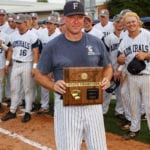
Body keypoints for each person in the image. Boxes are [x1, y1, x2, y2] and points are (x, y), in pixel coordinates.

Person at [33, 1, 113, 150]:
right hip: (66, 105)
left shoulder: (96, 42)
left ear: (84, 19)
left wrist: (106, 78)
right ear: (64, 19)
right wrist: (53, 85)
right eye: (71, 17)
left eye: (79, 17)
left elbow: (108, 66)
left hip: (93, 104)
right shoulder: (53, 46)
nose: (76, 21)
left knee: (99, 147)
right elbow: (38, 74)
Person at [1, 14, 39, 123]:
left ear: (25, 23)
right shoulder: (13, 35)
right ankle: (12, 111)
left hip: (27, 63)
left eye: (19, 23)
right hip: (16, 64)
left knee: (28, 89)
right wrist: (7, 63)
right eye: (16, 23)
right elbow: (11, 50)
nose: (17, 25)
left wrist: (34, 67)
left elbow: (36, 52)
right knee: (14, 88)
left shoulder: (32, 35)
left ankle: (27, 111)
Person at [117, 12, 150, 140]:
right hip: (132, 77)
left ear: (138, 22)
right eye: (128, 23)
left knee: (149, 106)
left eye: (133, 21)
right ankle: (134, 129)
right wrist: (120, 59)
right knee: (134, 105)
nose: (131, 24)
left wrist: (146, 55)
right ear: (124, 25)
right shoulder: (124, 40)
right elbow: (120, 60)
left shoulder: (147, 35)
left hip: (147, 76)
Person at [37, 15, 61, 114]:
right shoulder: (42, 34)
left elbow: (59, 53)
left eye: (51, 23)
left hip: (56, 65)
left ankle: (57, 108)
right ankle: (44, 106)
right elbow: (40, 50)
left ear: (55, 25)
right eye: (47, 23)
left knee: (57, 86)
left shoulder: (59, 35)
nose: (48, 25)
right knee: (44, 85)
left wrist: (52, 69)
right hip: (45, 63)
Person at [102, 14, 124, 117]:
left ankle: (119, 111)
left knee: (121, 93)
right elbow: (104, 56)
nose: (119, 24)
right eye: (117, 22)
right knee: (107, 92)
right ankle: (103, 110)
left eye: (121, 21)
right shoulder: (108, 38)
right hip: (111, 69)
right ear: (113, 24)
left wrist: (120, 70)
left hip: (123, 69)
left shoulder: (127, 36)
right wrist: (110, 69)